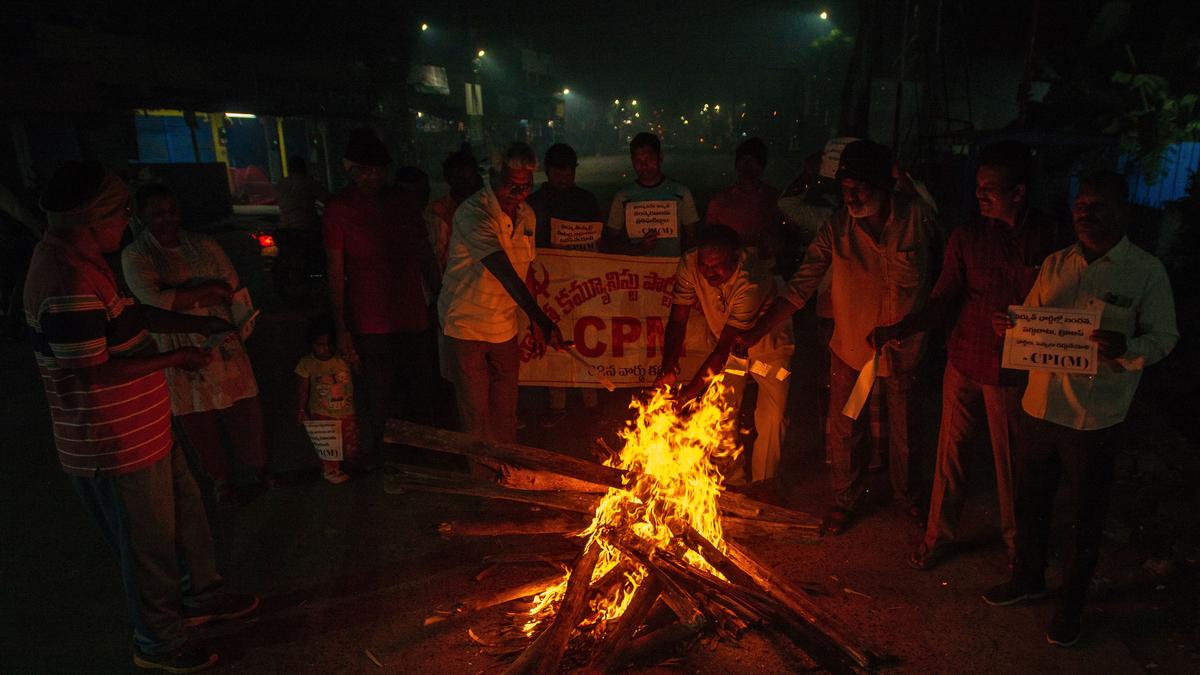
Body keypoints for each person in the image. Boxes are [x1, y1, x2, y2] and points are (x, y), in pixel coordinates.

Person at [25, 161, 258, 673]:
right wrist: (178, 357)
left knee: (187, 513)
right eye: (123, 213)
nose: (128, 223)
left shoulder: (89, 259)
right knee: (147, 544)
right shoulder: (64, 278)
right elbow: (92, 374)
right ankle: (158, 639)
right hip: (114, 442)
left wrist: (193, 324)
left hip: (147, 428)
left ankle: (201, 594)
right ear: (95, 219)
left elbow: (133, 316)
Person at [983, 171, 1178, 647]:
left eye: (1099, 207)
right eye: (1080, 207)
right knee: (1031, 504)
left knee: (1084, 518)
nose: (1086, 215)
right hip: (1039, 407)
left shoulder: (1145, 270)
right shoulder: (1056, 263)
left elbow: (1165, 338)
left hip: (1093, 419)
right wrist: (1009, 329)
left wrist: (1126, 345)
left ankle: (1070, 606)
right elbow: (1030, 318)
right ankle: (1028, 579)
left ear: (1122, 212)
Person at [870, 141, 1071, 570]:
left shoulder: (1050, 238)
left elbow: (1067, 307)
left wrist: (1030, 322)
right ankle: (937, 536)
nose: (980, 196)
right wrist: (900, 329)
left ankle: (1019, 547)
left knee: (1011, 462)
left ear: (1018, 193)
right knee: (951, 455)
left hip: (1014, 371)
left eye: (991, 189)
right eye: (978, 187)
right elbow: (944, 298)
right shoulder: (967, 237)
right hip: (963, 359)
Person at [735, 139, 941, 535]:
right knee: (846, 430)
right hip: (850, 350)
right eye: (845, 189)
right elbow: (799, 289)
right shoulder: (836, 228)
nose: (852, 197)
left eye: (861, 188)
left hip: (906, 351)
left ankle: (910, 499)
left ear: (884, 184)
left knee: (907, 432)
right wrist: (754, 332)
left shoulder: (917, 218)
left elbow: (949, 262)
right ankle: (846, 501)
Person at [122, 183, 270, 505]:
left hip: (222, 334)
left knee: (242, 405)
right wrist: (204, 292)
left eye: (172, 211)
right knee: (196, 415)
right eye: (158, 213)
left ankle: (255, 468)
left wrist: (185, 295)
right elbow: (154, 299)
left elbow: (228, 283)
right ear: (143, 216)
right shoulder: (137, 254)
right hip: (179, 341)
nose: (167, 219)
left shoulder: (202, 243)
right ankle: (220, 478)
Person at [437, 142, 564, 470]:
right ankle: (483, 485)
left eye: (526, 185)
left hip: (503, 326)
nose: (519, 192)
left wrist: (534, 322)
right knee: (476, 415)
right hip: (466, 324)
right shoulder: (473, 212)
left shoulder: (527, 215)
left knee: (506, 413)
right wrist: (540, 318)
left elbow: (527, 271)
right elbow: (504, 270)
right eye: (512, 184)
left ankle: (508, 478)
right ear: (493, 177)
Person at [324, 128, 439, 461]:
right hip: (370, 322)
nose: (370, 177)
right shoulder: (339, 208)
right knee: (381, 397)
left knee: (420, 393)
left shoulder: (402, 202)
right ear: (350, 170)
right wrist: (342, 327)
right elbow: (335, 272)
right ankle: (390, 462)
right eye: (363, 170)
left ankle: (425, 459)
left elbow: (424, 254)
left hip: (412, 316)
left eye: (376, 170)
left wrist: (439, 300)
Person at [655, 225, 794, 487]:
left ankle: (764, 484)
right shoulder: (688, 264)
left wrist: (686, 395)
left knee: (772, 415)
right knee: (722, 409)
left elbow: (724, 349)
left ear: (735, 258)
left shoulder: (751, 280)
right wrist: (668, 367)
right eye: (704, 265)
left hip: (769, 349)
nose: (708, 272)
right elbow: (677, 320)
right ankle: (731, 482)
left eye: (717, 266)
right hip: (729, 344)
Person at [525, 142, 602, 425]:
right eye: (558, 172)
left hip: (584, 281)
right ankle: (557, 403)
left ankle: (590, 400)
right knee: (557, 337)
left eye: (569, 172)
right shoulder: (534, 203)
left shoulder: (586, 200)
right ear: (548, 171)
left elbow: (597, 238)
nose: (564, 178)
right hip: (552, 284)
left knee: (588, 337)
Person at [603, 132, 699, 257]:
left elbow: (692, 237)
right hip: (636, 272)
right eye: (638, 161)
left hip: (671, 270)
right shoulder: (623, 197)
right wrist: (637, 249)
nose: (644, 166)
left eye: (649, 159)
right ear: (632, 161)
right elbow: (611, 242)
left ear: (660, 158)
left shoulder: (680, 193)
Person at [295, 316, 359, 484]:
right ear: (312, 344)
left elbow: (358, 371)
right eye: (320, 345)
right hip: (322, 411)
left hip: (345, 409)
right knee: (328, 443)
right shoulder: (307, 363)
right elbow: (302, 387)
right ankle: (330, 470)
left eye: (328, 344)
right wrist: (302, 409)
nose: (324, 349)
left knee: (349, 441)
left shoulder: (341, 358)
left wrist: (354, 360)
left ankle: (350, 465)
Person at [705, 137, 782, 255]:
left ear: (762, 165)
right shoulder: (720, 200)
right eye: (744, 159)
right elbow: (711, 238)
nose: (748, 165)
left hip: (765, 264)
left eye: (753, 160)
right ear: (737, 164)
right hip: (729, 264)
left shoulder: (774, 198)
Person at [429, 148, 484, 273]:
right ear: (449, 179)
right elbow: (437, 257)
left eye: (468, 178)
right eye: (459, 178)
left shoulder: (487, 206)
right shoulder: (439, 211)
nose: (465, 183)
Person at [274, 155, 329, 232]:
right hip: (307, 229)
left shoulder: (280, 185)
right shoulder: (309, 183)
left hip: (285, 230)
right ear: (304, 167)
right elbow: (328, 199)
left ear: (289, 168)